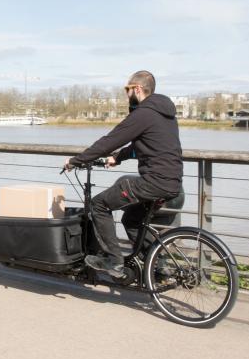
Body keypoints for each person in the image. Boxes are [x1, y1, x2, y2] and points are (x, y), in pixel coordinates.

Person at [63, 71, 183, 278]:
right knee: (131, 220)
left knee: (98, 205)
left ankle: (113, 260)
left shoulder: (143, 113)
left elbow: (110, 140)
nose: (126, 94)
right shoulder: (165, 114)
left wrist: (76, 161)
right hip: (172, 182)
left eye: (127, 90)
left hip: (153, 182)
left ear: (137, 89)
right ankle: (156, 265)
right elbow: (142, 144)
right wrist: (118, 158)